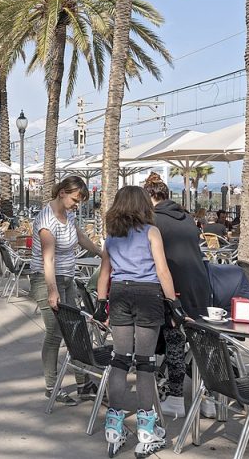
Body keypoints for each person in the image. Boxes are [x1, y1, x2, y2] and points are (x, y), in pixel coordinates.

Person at [95, 185, 182, 459]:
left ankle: (114, 426)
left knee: (120, 359)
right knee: (145, 363)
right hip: (147, 294)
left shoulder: (112, 236)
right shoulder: (151, 232)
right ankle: (146, 430)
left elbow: (104, 272)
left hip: (119, 292)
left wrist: (100, 302)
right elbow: (162, 270)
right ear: (144, 205)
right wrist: (174, 304)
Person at [143, 172, 212, 420]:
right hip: (201, 285)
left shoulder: (152, 221)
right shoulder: (187, 217)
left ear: (151, 196)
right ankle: (209, 400)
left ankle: (175, 398)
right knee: (198, 344)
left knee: (174, 341)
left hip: (175, 287)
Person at [32, 176, 103, 406]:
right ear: (62, 192)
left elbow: (82, 239)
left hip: (68, 279)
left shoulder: (69, 216)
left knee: (76, 329)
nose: (77, 204)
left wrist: (103, 254)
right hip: (46, 280)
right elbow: (48, 259)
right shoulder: (46, 219)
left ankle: (83, 385)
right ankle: (52, 386)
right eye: (75, 199)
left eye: (80, 201)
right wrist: (53, 291)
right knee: (55, 334)